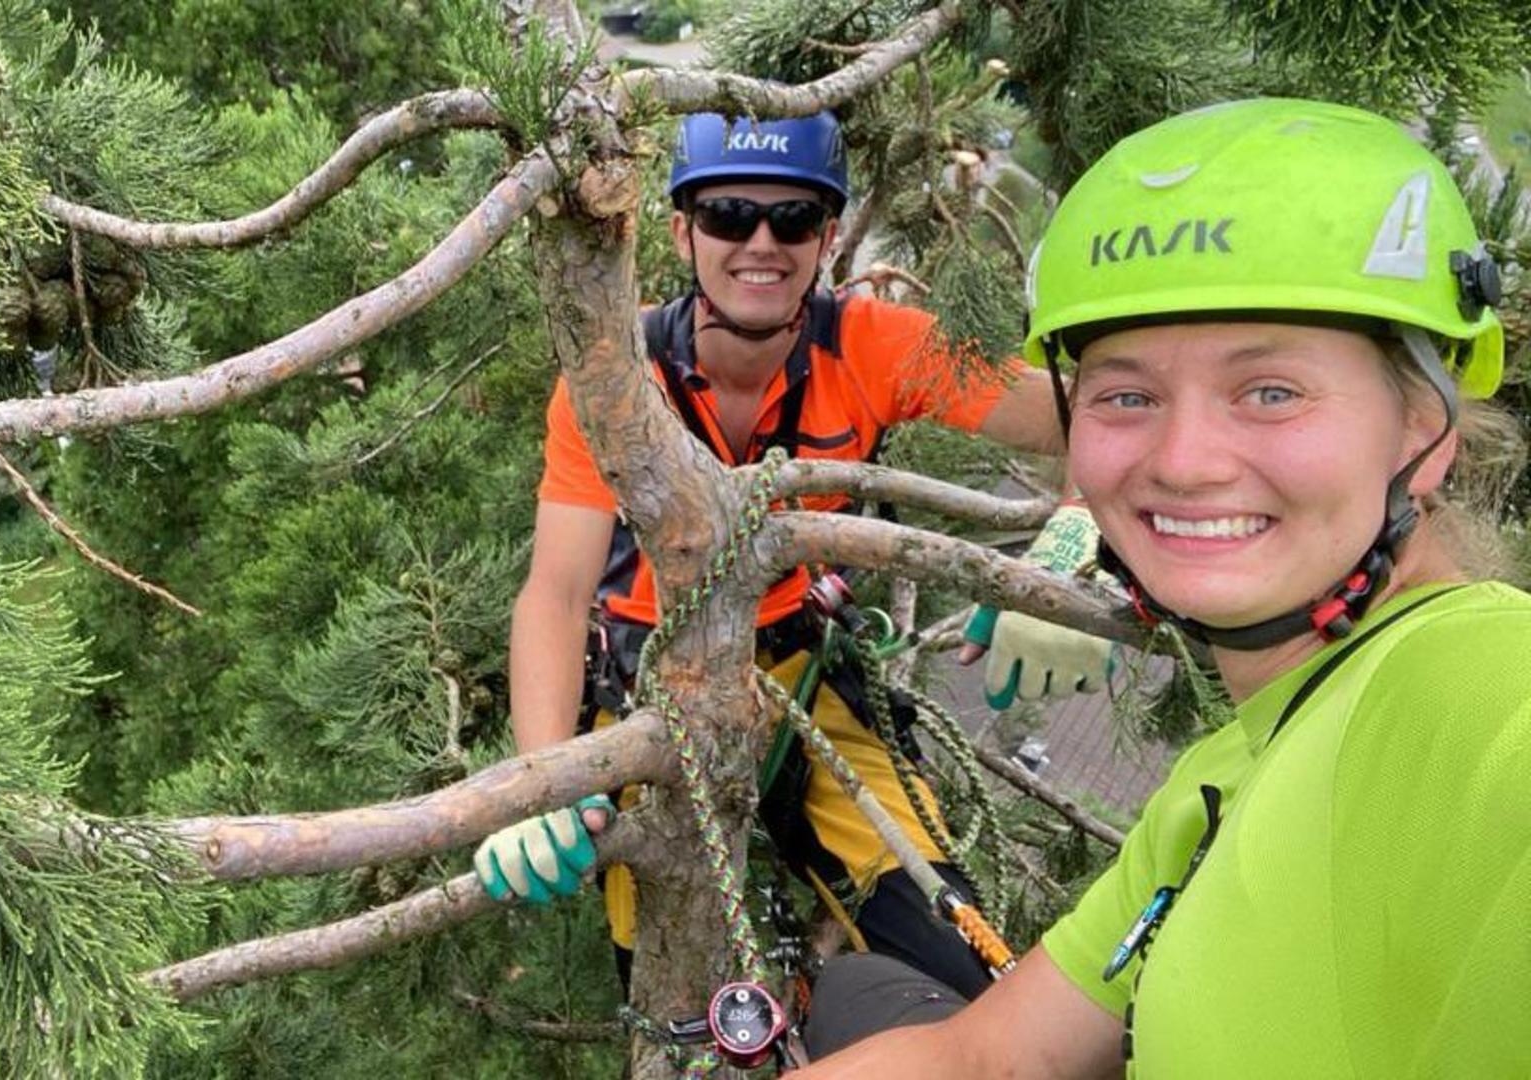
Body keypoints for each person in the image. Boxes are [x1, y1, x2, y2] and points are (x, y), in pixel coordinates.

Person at [798, 97, 1531, 1076]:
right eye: (1127, 395)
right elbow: (989, 1056)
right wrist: (1072, 528)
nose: (1182, 461)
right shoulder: (1212, 786)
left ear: (1423, 429)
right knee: (858, 992)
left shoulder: (1483, 692)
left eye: (1270, 391)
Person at [471, 110, 1106, 1001]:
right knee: (664, 986)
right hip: (641, 686)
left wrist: (1073, 543)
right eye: (730, 215)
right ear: (683, 232)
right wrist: (539, 779)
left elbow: (1098, 417)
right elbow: (557, 592)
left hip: (798, 666)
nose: (761, 243)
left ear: (829, 236)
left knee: (950, 942)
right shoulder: (616, 378)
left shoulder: (873, 345)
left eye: (794, 219)